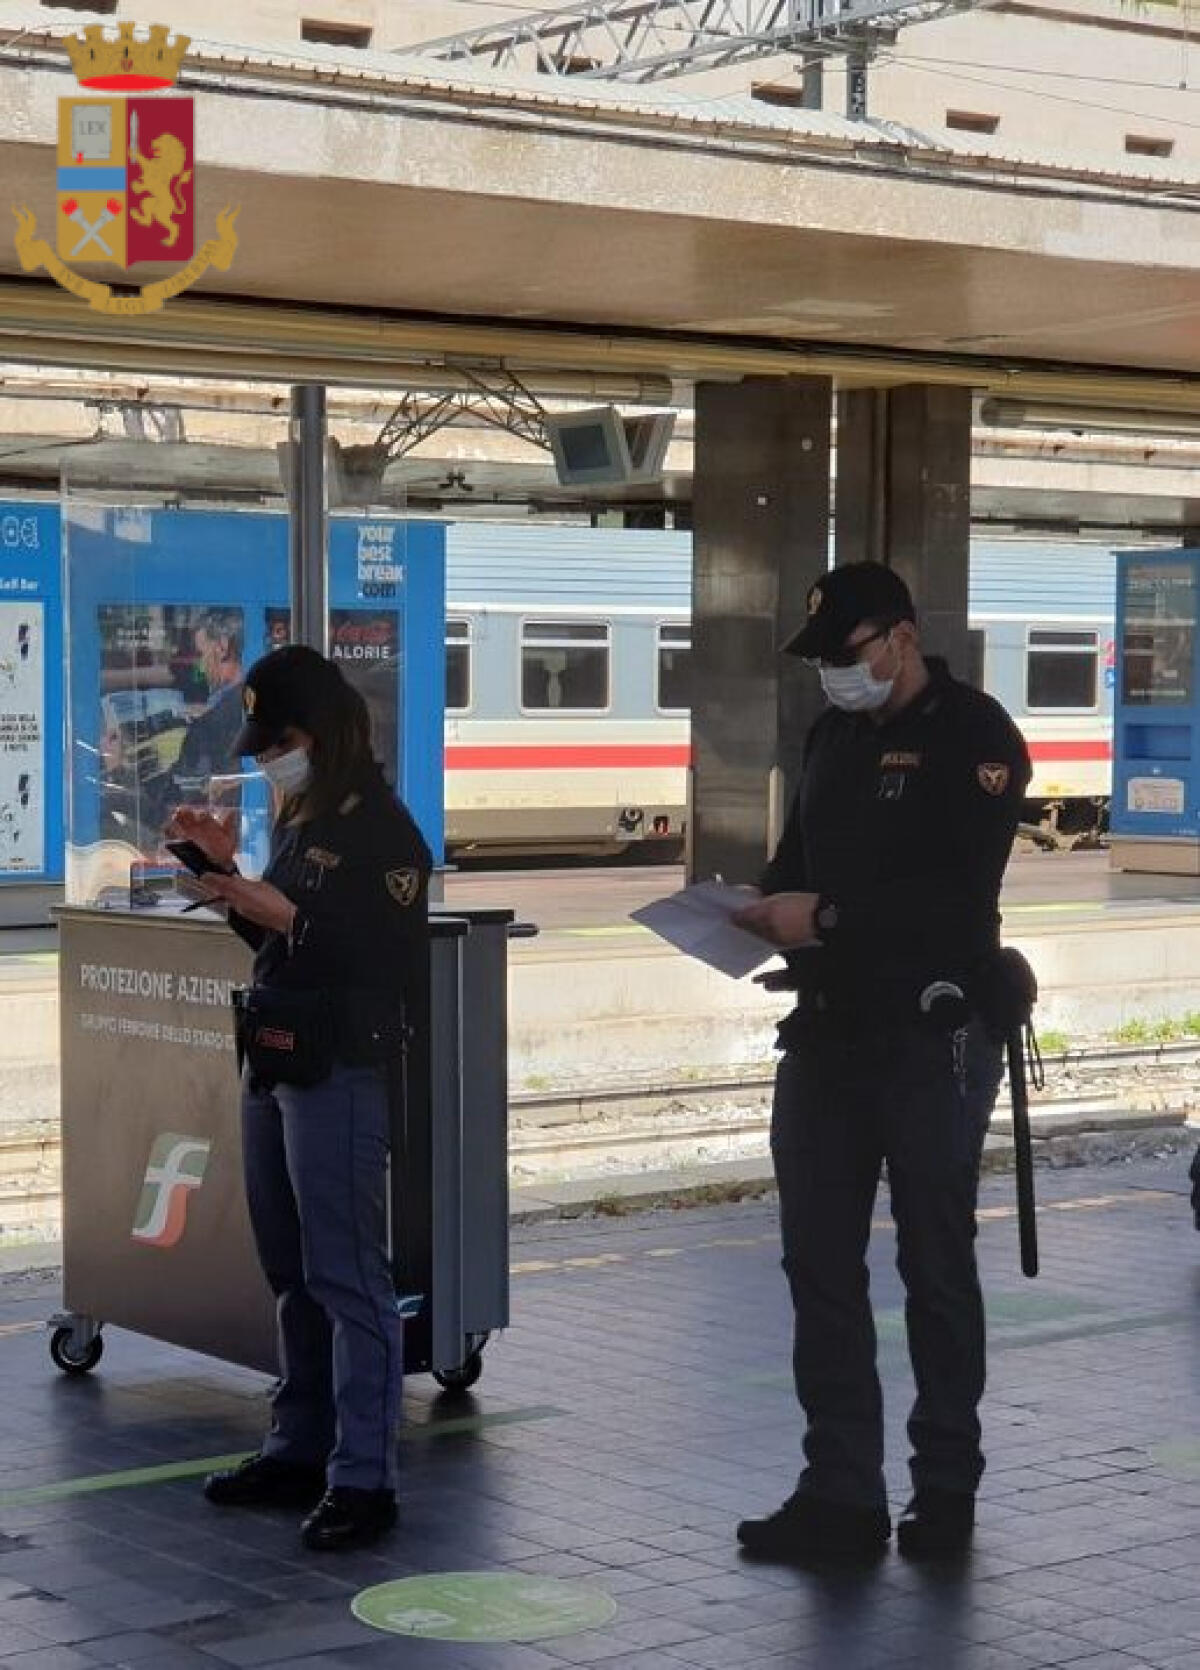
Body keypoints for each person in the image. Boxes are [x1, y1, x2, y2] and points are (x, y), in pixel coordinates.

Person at [732, 562, 1030, 1565]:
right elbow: (793, 867)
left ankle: (944, 1484)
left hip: (929, 1036)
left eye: (848, 656)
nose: (835, 677)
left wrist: (825, 916)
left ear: (901, 636)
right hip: (827, 1035)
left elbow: (957, 897)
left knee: (933, 1261)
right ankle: (840, 1491)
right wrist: (747, 910)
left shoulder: (974, 735)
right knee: (818, 1263)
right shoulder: (831, 738)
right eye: (823, 663)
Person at [165, 644, 431, 1553]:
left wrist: (290, 914)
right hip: (275, 1057)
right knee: (289, 1269)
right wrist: (228, 876)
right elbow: (279, 943)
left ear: (319, 731)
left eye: (276, 740)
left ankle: (364, 1478)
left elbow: (390, 961)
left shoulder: (383, 829)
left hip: (341, 1068)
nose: (264, 757)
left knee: (347, 1275)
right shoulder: (299, 814)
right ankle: (297, 1447)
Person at [174, 612, 245, 789]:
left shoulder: (221, 718)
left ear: (222, 647)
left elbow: (192, 783)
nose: (199, 666)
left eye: (200, 653)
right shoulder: (235, 702)